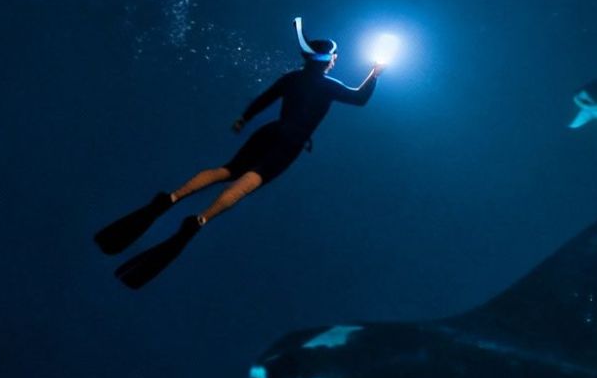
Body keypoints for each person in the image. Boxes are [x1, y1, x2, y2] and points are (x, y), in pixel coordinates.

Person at [96, 19, 384, 288]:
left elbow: (264, 99)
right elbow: (359, 98)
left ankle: (170, 199)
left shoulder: (291, 78)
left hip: (269, 131)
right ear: (324, 59)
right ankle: (199, 221)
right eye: (334, 55)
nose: (336, 59)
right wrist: (375, 72)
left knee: (227, 170)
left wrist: (244, 118)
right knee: (248, 181)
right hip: (289, 143)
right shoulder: (329, 86)